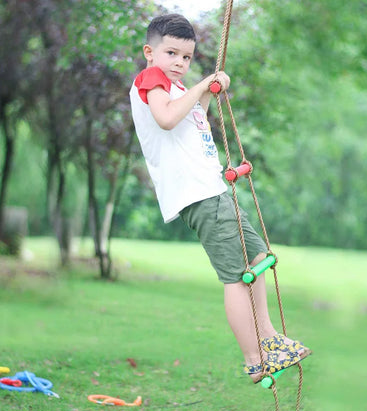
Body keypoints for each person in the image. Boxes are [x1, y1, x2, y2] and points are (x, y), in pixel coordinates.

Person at [129, 14, 311, 383]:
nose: (180, 63)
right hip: (197, 194)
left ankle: (270, 338)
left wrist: (206, 93)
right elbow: (165, 119)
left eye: (186, 57)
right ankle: (255, 358)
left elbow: (189, 121)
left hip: (212, 188)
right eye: (171, 53)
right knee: (237, 275)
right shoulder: (152, 79)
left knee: (257, 257)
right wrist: (201, 86)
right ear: (150, 52)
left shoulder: (176, 88)